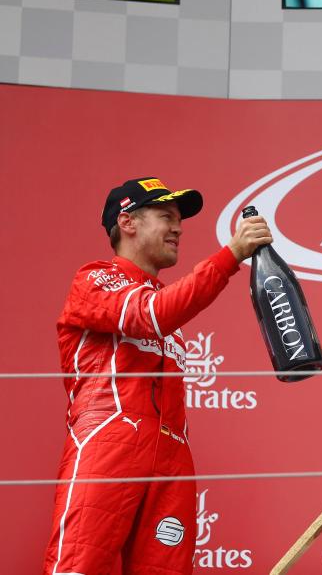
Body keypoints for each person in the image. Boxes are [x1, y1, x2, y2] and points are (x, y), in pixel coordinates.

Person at [43, 177, 272, 575]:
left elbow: (161, 310)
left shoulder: (164, 303)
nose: (178, 228)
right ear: (128, 222)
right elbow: (150, 315)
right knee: (78, 567)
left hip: (172, 454)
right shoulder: (95, 279)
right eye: (166, 216)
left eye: (179, 220)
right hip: (107, 442)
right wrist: (232, 253)